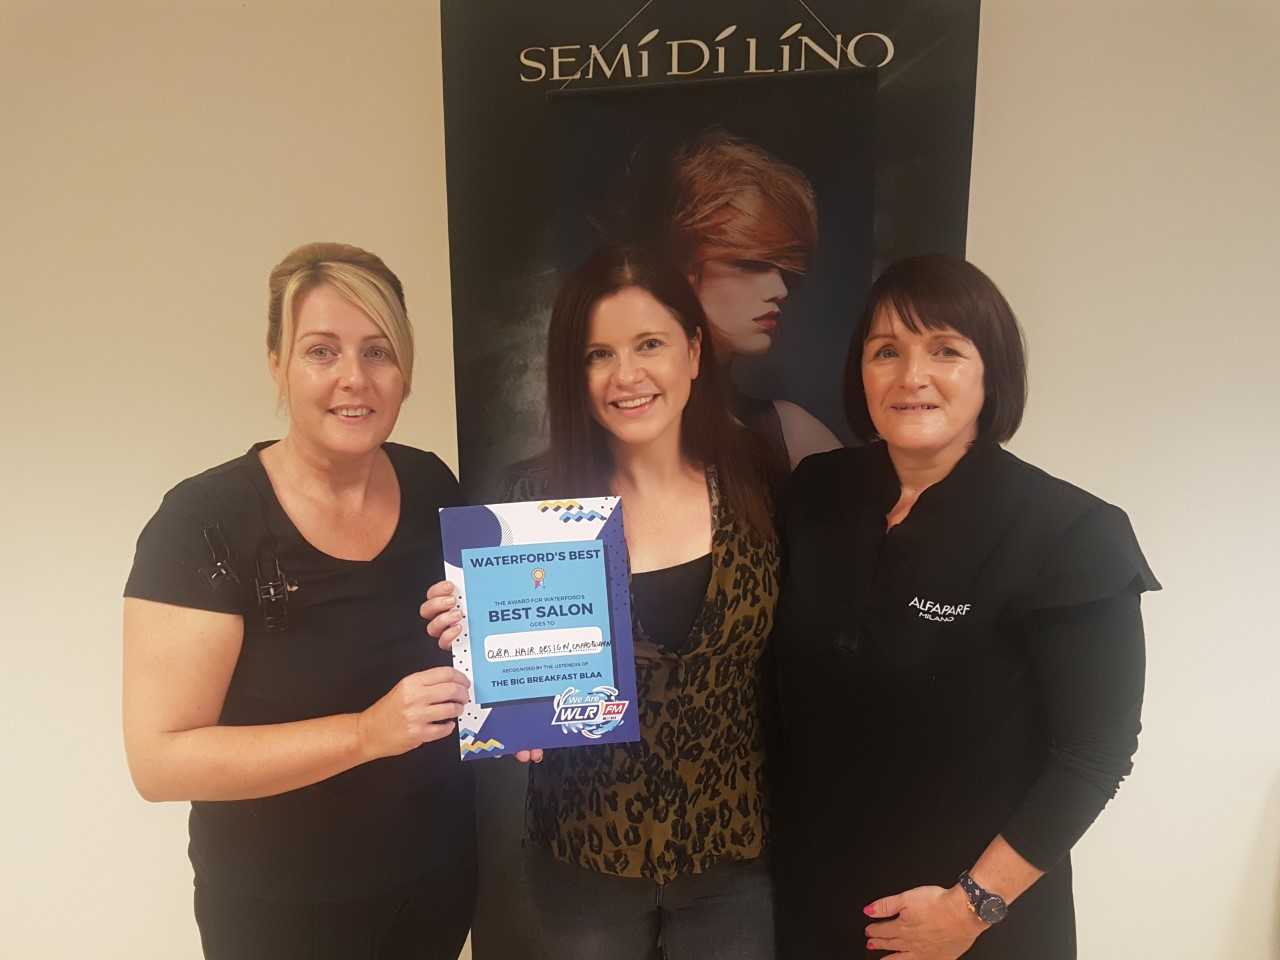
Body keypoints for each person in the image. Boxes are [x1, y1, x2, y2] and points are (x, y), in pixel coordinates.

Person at [771, 255, 1159, 959]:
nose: (911, 376)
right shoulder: (816, 494)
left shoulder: (1070, 533)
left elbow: (1095, 755)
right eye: (886, 351)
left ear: (992, 373)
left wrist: (970, 908)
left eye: (945, 350)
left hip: (970, 926)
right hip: (811, 908)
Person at [422, 245, 781, 959]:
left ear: (694, 352)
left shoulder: (758, 478)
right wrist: (480, 656)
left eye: (649, 344)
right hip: (586, 855)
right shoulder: (533, 504)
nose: (627, 375)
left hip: (734, 853)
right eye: (598, 354)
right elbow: (515, 686)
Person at [122, 242, 476, 960]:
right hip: (277, 912)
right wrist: (366, 734)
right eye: (321, 351)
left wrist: (494, 646)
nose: (354, 378)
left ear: (405, 370)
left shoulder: (433, 487)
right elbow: (159, 762)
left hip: (435, 886)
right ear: (277, 364)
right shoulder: (204, 521)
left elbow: (468, 665)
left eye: (378, 351)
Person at [667, 128, 841, 469]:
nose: (781, 290)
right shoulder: (609, 429)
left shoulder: (792, 436)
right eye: (751, 264)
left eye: (785, 270)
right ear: (684, 265)